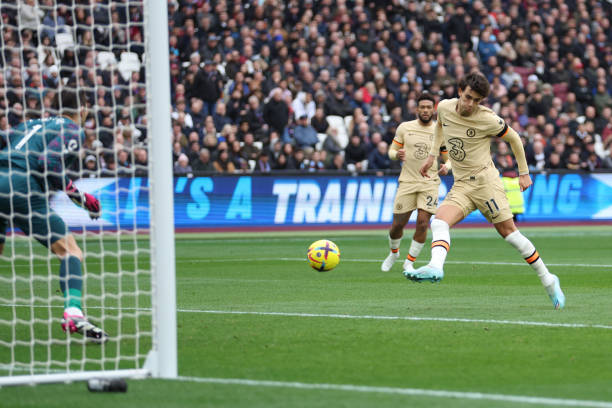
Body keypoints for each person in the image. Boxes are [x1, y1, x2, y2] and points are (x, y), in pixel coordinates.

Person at [407, 72, 565, 310]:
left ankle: (548, 279)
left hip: (485, 183)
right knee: (439, 222)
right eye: (468, 97)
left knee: (510, 234)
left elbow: (515, 139)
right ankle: (436, 267)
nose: (470, 104)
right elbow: (440, 126)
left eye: (476, 100)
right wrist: (433, 155)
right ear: (460, 91)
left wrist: (524, 172)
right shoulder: (444, 108)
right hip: (461, 184)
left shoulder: (488, 119)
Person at [0, 87, 108, 342]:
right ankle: (73, 312)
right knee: (70, 251)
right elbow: (48, 163)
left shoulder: (29, 124)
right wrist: (80, 197)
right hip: (21, 187)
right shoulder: (72, 130)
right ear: (81, 108)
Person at [381, 93, 450, 273]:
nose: (426, 110)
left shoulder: (440, 131)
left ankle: (409, 262)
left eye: (429, 107)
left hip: (430, 183)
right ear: (417, 109)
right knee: (397, 225)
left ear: (433, 110)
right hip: (407, 182)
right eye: (423, 107)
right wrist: (396, 155)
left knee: (422, 222)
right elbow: (391, 150)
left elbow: (449, 158)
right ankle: (394, 253)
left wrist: (447, 167)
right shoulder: (405, 128)